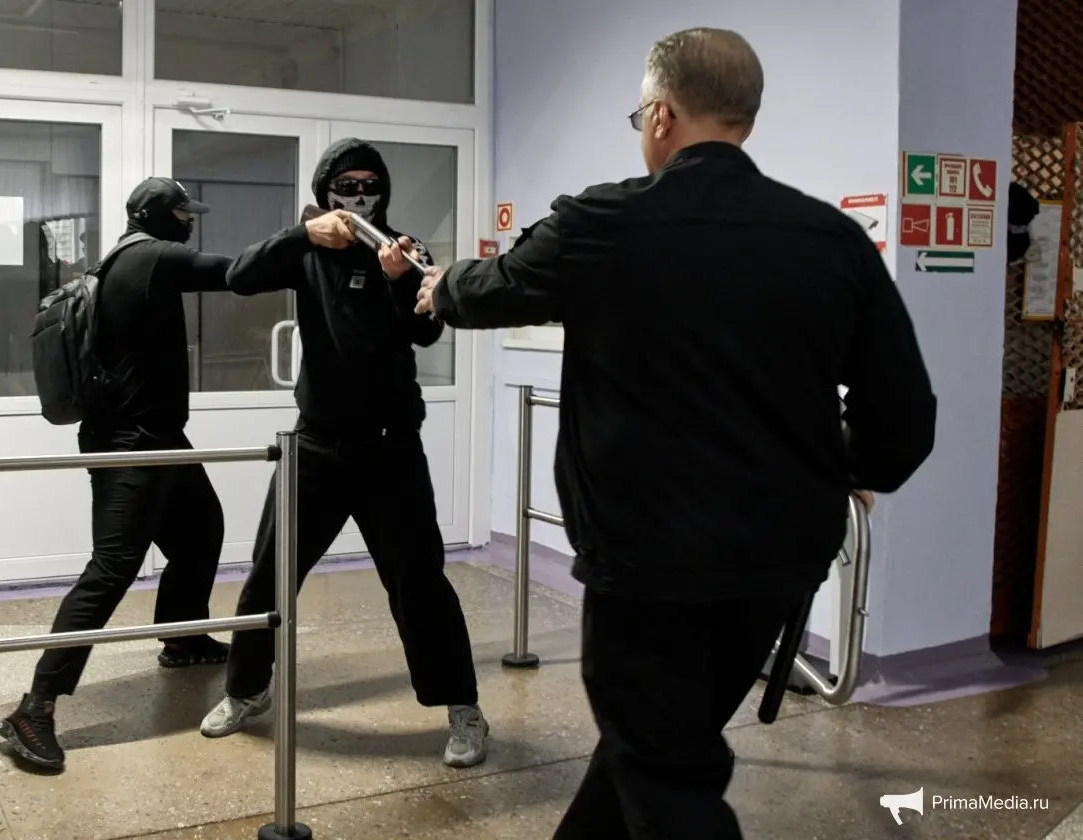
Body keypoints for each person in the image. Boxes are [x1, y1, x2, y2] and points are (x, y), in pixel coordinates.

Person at [415, 27, 937, 838]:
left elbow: (492, 290)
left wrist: (440, 285)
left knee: (664, 772)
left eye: (641, 118)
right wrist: (848, 467)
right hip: (777, 561)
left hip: (648, 564)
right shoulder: (831, 239)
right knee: (656, 739)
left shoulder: (605, 222)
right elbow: (903, 415)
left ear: (660, 116)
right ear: (743, 119)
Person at [199, 138, 489, 768]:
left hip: (390, 449)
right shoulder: (308, 248)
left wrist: (398, 280)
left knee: (419, 584)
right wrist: (303, 234)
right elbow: (239, 276)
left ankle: (462, 707)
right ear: (326, 190)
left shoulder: (404, 248)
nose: (359, 195)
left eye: (369, 184)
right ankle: (246, 690)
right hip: (316, 446)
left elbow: (426, 329)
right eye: (346, 185)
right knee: (269, 578)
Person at [0, 178, 245, 773]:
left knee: (200, 530)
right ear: (158, 215)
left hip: (157, 437)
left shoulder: (126, 259)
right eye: (184, 213)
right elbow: (234, 271)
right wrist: (306, 240)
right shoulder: (149, 257)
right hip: (131, 443)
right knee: (111, 569)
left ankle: (182, 637)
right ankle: (34, 709)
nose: (191, 222)